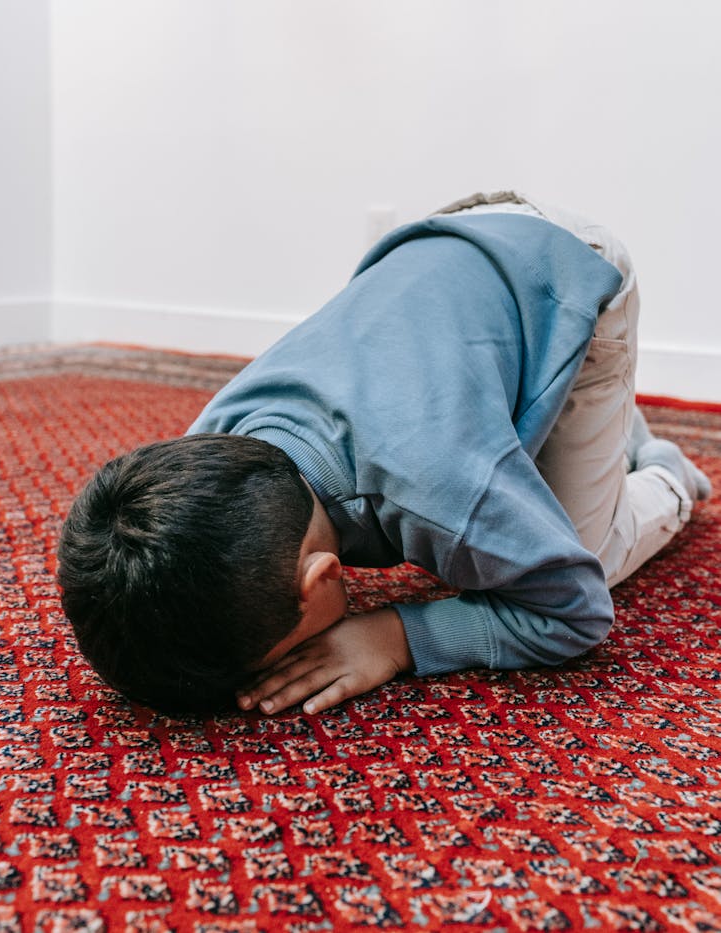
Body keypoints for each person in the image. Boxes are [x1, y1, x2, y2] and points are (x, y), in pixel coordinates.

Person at [57, 192, 711, 717]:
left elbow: (576, 608)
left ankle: (664, 471)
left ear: (323, 578)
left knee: (585, 549)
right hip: (451, 238)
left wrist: (398, 636)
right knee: (508, 448)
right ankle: (598, 425)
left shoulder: (442, 487)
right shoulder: (213, 442)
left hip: (575, 274)